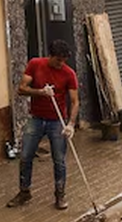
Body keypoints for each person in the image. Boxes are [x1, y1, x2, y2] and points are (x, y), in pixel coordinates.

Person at [8, 39, 80, 210]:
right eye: (58, 60)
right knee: (25, 156)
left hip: (57, 121)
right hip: (37, 118)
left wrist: (70, 124)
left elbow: (75, 101)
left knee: (59, 160)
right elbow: (21, 89)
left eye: (63, 61)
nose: (60, 64)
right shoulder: (35, 64)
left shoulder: (69, 74)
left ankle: (60, 195)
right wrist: (40, 92)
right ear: (50, 56)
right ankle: (24, 192)